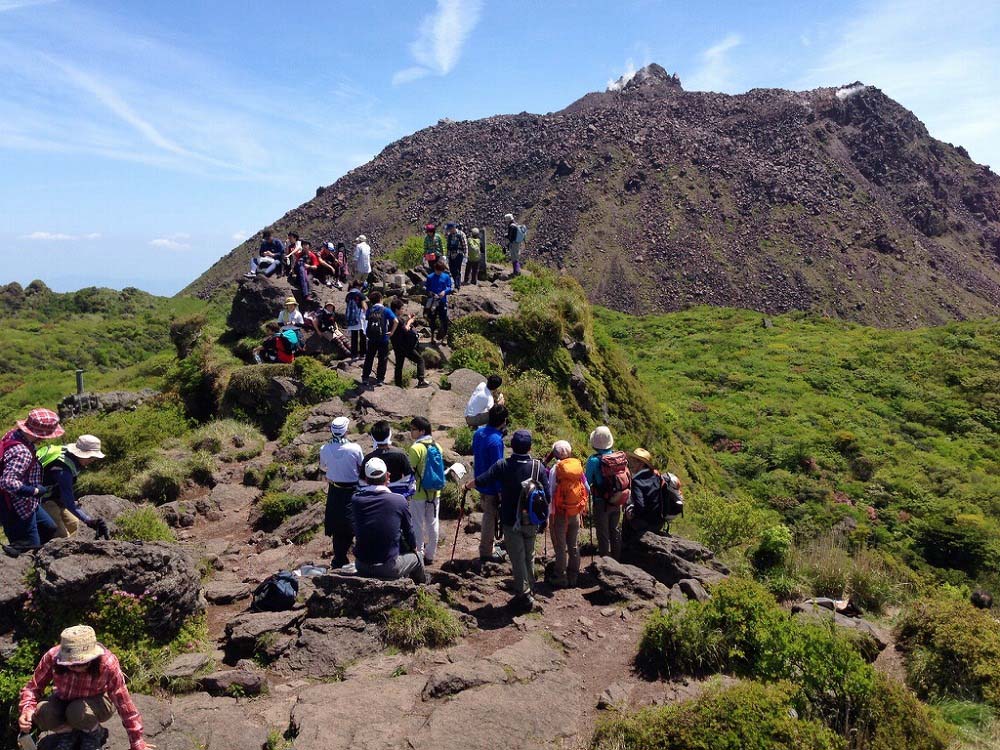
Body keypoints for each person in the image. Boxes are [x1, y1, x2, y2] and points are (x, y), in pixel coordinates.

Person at [19, 624, 149, 750]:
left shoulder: (107, 664)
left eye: (81, 663)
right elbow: (33, 687)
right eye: (70, 663)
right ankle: (68, 733)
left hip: (97, 702)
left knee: (76, 711)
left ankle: (93, 732)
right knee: (43, 712)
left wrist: (136, 740)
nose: (75, 667)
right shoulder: (53, 656)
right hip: (63, 699)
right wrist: (27, 709)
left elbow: (123, 701)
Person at [464, 429, 547, 610]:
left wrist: (468, 485)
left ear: (511, 446)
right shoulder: (537, 467)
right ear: (529, 447)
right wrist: (544, 519)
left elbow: (485, 479)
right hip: (532, 519)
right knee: (529, 554)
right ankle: (530, 588)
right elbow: (546, 494)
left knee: (517, 557)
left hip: (510, 519)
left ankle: (523, 595)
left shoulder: (503, 465)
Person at [351, 458, 426, 583]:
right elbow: (409, 531)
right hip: (389, 567)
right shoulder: (398, 500)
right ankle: (421, 589)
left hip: (361, 565)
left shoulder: (356, 500)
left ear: (366, 479)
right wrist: (414, 548)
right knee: (418, 557)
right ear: (387, 476)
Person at [1, 409, 64, 556]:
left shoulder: (14, 435)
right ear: (38, 434)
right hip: (15, 507)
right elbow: (7, 482)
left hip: (28, 503)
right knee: (30, 548)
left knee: (48, 528)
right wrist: (35, 491)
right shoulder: (22, 452)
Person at [37, 435, 110, 539]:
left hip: (55, 498)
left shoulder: (68, 454)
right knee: (60, 535)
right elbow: (69, 502)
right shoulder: (63, 470)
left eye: (94, 457)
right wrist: (89, 521)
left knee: (76, 526)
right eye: (90, 457)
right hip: (42, 500)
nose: (92, 460)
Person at [319, 417, 364, 569]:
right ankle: (362, 559)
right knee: (357, 522)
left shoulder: (324, 449)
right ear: (346, 431)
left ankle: (339, 559)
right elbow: (361, 467)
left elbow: (323, 468)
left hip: (335, 490)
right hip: (353, 489)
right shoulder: (355, 448)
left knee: (337, 526)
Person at [546, 440, 589, 587]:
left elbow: (551, 492)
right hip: (575, 512)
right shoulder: (577, 467)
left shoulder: (555, 470)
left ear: (555, 454)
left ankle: (560, 576)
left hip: (559, 512)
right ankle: (574, 577)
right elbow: (587, 488)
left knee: (560, 545)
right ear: (569, 452)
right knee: (573, 544)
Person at [471, 405, 508, 562]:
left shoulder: (478, 433)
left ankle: (489, 548)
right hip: (492, 486)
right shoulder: (496, 440)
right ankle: (486, 552)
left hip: (481, 480)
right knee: (490, 517)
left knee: (489, 515)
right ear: (504, 421)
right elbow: (498, 466)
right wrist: (501, 490)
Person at [585, 425, 627, 559]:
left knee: (603, 534)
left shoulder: (593, 460)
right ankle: (617, 559)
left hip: (601, 502)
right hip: (617, 499)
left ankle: (605, 564)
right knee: (614, 530)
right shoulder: (617, 457)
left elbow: (587, 480)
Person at [407, 416, 443, 565]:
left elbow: (410, 471)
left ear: (422, 431)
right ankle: (430, 555)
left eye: (413, 429)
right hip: (435, 491)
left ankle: (419, 554)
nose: (411, 432)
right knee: (433, 523)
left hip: (418, 492)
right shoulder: (438, 446)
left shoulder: (416, 448)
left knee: (416, 523)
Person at [363, 421, 415, 495]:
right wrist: (406, 495)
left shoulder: (368, 458)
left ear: (373, 437)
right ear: (389, 435)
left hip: (375, 496)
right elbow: (410, 478)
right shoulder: (400, 455)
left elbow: (362, 483)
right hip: (397, 495)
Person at [624, 448, 665, 543]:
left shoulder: (637, 480)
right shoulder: (657, 476)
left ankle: (626, 547)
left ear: (641, 464)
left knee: (627, 513)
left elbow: (640, 506)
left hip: (646, 523)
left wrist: (631, 513)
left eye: (634, 461)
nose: (631, 463)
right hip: (658, 522)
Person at [389, 298, 429, 388]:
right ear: (397, 310)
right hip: (406, 347)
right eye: (402, 308)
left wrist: (408, 320)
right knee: (420, 360)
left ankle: (398, 386)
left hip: (397, 346)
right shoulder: (397, 320)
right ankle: (421, 380)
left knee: (399, 366)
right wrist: (410, 321)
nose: (403, 310)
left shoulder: (391, 318)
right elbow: (405, 329)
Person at [361, 291, 397, 389]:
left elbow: (366, 318)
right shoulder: (386, 310)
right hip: (383, 338)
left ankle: (365, 378)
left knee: (369, 358)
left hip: (372, 338)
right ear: (381, 299)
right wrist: (392, 332)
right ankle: (380, 379)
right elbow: (395, 321)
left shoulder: (370, 310)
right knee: (382, 359)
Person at [424, 261, 453, 344]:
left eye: (440, 271)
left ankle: (444, 337)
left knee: (444, 319)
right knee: (432, 319)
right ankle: (432, 337)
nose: (439, 272)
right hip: (433, 301)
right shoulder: (430, 277)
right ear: (435, 269)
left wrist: (444, 292)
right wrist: (431, 293)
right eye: (437, 271)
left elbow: (449, 287)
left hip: (442, 301)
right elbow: (427, 288)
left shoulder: (446, 276)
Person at [344, 280, 368, 360]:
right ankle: (362, 354)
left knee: (354, 337)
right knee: (362, 336)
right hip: (360, 318)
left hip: (351, 318)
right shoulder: (360, 295)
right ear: (359, 286)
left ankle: (354, 355)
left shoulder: (348, 295)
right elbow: (364, 307)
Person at [445, 223, 467, 291]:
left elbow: (465, 246)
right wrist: (447, 257)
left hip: (459, 254)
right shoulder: (449, 236)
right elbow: (448, 246)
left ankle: (457, 286)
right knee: (452, 270)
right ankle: (455, 284)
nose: (449, 231)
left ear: (454, 228)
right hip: (451, 255)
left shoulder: (461, 234)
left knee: (457, 271)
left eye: (450, 229)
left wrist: (465, 256)